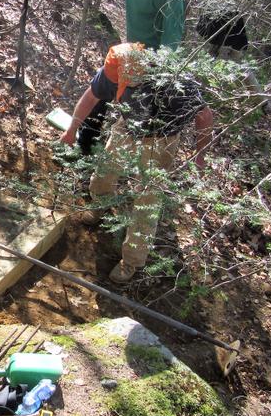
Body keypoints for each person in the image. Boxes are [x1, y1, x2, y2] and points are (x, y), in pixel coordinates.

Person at [61, 42, 213, 284]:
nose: (114, 85)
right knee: (104, 172)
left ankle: (131, 260)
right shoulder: (114, 67)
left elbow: (204, 116)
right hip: (128, 126)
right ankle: (101, 204)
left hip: (161, 138)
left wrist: (200, 156)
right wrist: (72, 130)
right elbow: (90, 96)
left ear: (137, 74)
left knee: (147, 198)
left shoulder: (177, 86)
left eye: (120, 82)